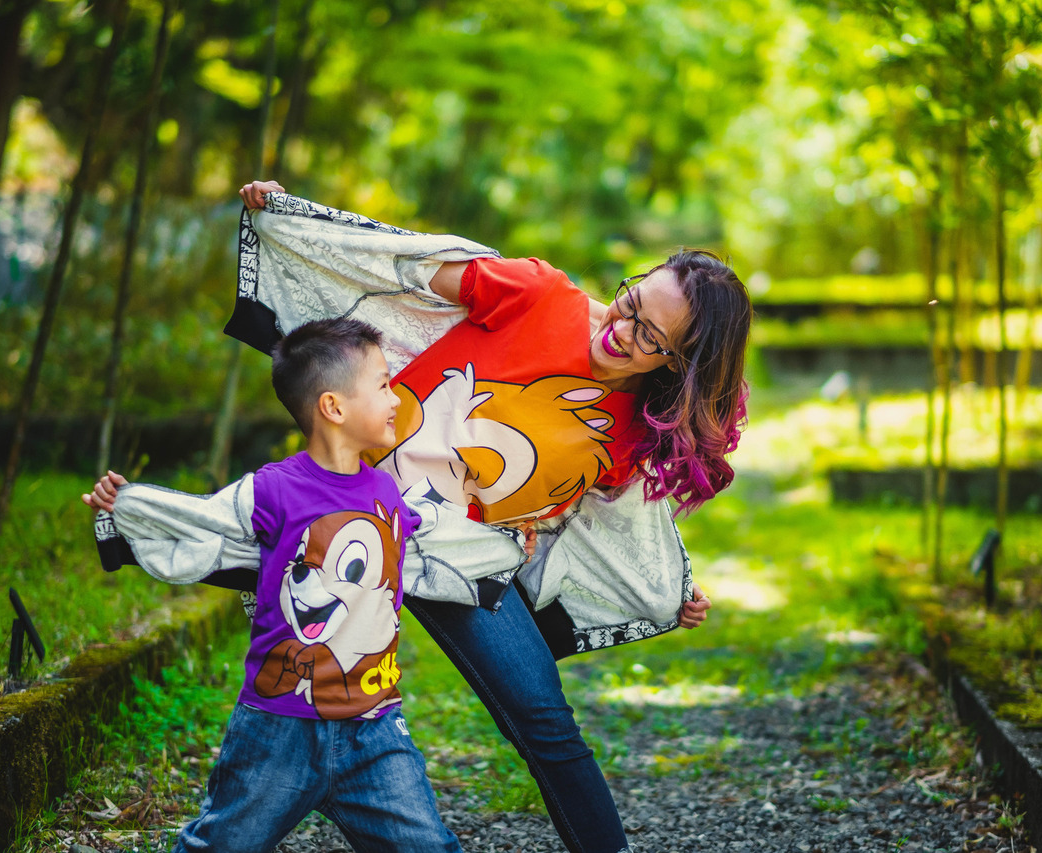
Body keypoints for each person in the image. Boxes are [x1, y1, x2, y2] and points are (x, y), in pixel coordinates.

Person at [229, 180, 752, 853]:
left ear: (682, 364)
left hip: (464, 558)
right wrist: (292, 212)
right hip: (356, 512)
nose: (620, 331)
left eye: (650, 336)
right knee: (299, 699)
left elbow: (604, 525)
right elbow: (397, 261)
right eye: (629, 304)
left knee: (545, 720)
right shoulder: (540, 294)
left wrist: (669, 588)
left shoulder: (635, 432)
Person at [83, 318, 467, 853]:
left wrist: (513, 535)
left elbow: (440, 534)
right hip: (277, 730)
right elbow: (200, 521)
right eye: (382, 384)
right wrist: (130, 507)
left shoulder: (386, 491)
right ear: (333, 407)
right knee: (222, 845)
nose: (396, 397)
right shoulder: (272, 489)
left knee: (428, 847)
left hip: (375, 727)